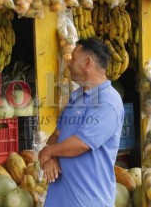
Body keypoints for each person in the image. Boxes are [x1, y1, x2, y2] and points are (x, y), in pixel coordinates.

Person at [39, 38, 125, 207]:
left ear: (87, 62)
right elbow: (56, 135)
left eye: (73, 58)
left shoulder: (108, 102)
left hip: (88, 201)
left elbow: (81, 143)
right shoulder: (76, 96)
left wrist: (49, 152)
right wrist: (51, 158)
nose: (69, 63)